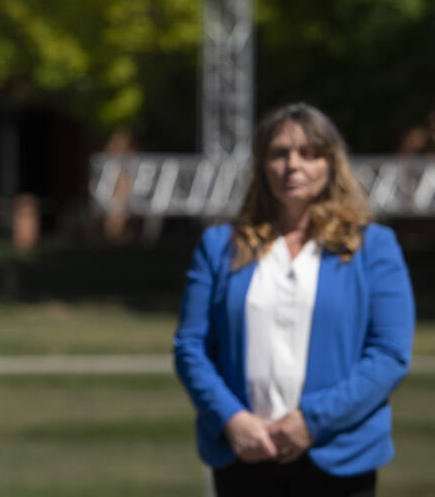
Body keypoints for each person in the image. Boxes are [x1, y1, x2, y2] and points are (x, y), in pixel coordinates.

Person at [174, 103, 414, 496]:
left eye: (309, 153)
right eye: (279, 153)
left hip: (339, 455)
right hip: (245, 454)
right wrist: (232, 419)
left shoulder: (373, 248)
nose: (293, 165)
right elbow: (191, 347)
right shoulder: (219, 246)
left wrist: (312, 421)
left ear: (331, 164)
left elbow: (390, 354)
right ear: (262, 165)